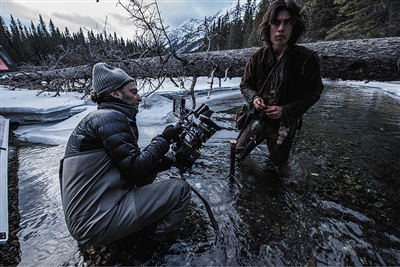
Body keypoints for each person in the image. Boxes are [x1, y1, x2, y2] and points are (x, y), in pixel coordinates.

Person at [59, 63, 191, 246]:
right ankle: (157, 244)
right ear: (115, 93)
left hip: (89, 216)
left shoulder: (102, 117)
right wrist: (164, 139)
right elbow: (134, 169)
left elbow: (125, 165)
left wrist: (168, 161)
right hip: (93, 224)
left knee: (149, 172)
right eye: (133, 92)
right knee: (180, 189)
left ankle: (132, 229)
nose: (139, 97)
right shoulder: (109, 118)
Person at [235, 0, 324, 170]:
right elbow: (245, 85)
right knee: (237, 154)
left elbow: (314, 91)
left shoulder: (306, 59)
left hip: (284, 123)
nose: (281, 28)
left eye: (287, 22)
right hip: (257, 118)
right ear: (268, 27)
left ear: (294, 26)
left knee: (277, 167)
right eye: (276, 22)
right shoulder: (256, 57)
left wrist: (286, 110)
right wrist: (254, 98)